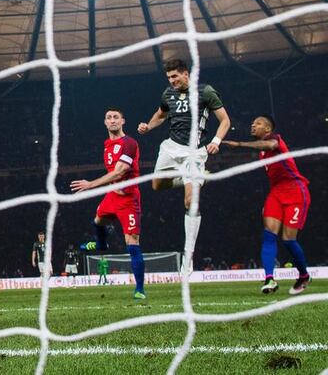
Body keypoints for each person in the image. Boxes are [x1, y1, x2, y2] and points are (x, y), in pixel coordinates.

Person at [137, 59, 231, 275]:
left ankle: (187, 257)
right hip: (170, 148)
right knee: (156, 185)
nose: (172, 81)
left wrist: (216, 141)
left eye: (175, 77)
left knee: (190, 201)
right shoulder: (168, 94)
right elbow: (160, 114)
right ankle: (198, 177)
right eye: (169, 78)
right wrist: (148, 126)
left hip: (194, 151)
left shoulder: (205, 91)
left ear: (186, 74)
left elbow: (225, 120)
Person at [223, 115, 311, 295]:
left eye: (258, 123)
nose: (253, 125)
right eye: (253, 122)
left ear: (268, 129)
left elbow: (270, 145)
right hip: (276, 193)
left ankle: (303, 275)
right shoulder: (261, 151)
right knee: (269, 234)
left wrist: (240, 145)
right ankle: (269, 278)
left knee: (288, 239)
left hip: (296, 191)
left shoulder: (275, 140)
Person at [72, 107, 146, 299]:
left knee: (132, 241)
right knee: (98, 221)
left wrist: (91, 184)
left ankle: (139, 289)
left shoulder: (129, 143)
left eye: (116, 117)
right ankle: (101, 244)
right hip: (112, 195)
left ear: (123, 121)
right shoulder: (106, 145)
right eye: (108, 118)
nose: (112, 120)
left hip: (129, 198)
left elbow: (120, 172)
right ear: (105, 122)